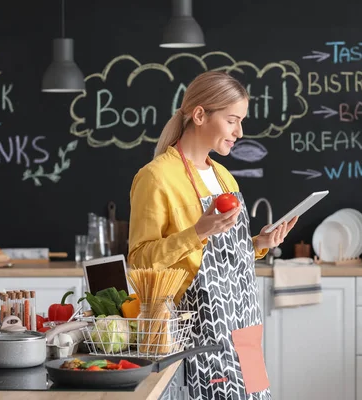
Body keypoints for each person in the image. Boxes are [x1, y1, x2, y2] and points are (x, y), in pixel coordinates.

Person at [128, 70, 298, 400]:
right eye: (233, 120)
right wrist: (196, 232)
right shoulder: (156, 177)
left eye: (241, 121)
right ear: (200, 114)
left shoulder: (224, 178)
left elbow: (225, 257)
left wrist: (259, 244)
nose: (240, 132)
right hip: (199, 330)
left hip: (245, 328)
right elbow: (138, 261)